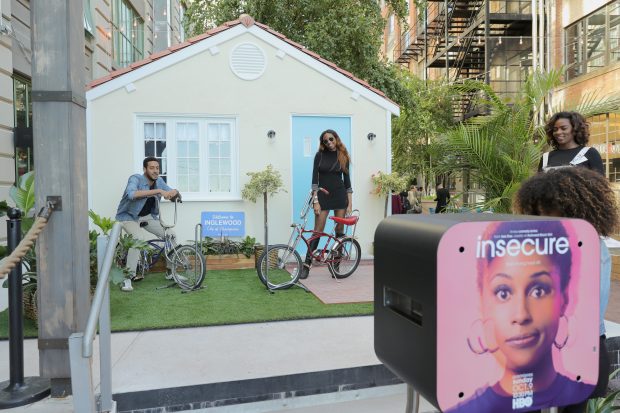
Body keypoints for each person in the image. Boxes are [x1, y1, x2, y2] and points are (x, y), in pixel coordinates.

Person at [447, 219, 596, 413]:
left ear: (564, 297)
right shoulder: (465, 409)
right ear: (482, 304)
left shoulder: (579, 392)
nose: (521, 315)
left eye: (538, 290)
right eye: (503, 293)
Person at [512, 167, 619, 412]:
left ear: (573, 208)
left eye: (547, 209)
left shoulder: (589, 247)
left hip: (579, 352)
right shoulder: (540, 245)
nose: (540, 218)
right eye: (535, 211)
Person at [116, 157, 180, 291]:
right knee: (138, 239)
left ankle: (170, 272)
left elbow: (168, 194)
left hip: (147, 217)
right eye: (152, 168)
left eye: (157, 168)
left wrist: (175, 194)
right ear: (145, 169)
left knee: (171, 235)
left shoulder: (159, 181)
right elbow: (131, 194)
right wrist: (158, 191)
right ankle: (127, 278)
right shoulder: (135, 178)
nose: (155, 171)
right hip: (128, 216)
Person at [301, 129, 352, 279]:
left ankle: (336, 264)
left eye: (331, 139)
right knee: (318, 230)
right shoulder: (319, 156)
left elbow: (347, 183)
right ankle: (306, 265)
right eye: (325, 141)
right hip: (323, 196)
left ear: (336, 138)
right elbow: (314, 181)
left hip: (339, 196)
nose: (329, 142)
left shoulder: (343, 156)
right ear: (322, 143)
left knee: (339, 231)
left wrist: (349, 204)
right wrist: (315, 201)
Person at [538, 111, 604, 174]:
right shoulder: (546, 158)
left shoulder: (589, 153)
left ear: (575, 129)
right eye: (555, 130)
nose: (558, 132)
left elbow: (600, 183)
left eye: (564, 128)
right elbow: (538, 184)